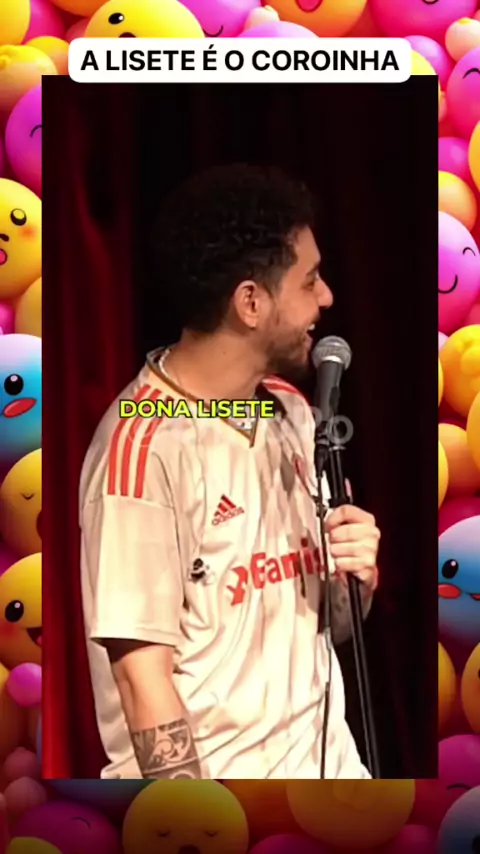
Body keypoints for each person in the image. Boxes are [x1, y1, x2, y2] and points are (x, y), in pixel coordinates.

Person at [79, 163, 380, 780]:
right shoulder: (143, 447)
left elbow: (331, 627)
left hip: (331, 788)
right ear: (250, 302)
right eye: (309, 281)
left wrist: (359, 580)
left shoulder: (292, 412)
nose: (326, 298)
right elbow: (141, 680)